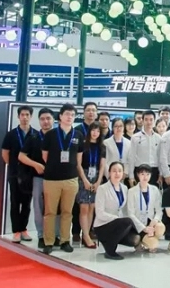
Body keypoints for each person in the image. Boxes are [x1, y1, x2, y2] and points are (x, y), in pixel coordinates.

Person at [41, 103, 83, 254]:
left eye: (72, 115)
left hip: (71, 179)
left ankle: (65, 240)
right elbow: (45, 156)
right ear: (60, 116)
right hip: (52, 179)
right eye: (67, 114)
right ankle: (49, 241)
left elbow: (78, 159)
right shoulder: (51, 134)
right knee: (50, 212)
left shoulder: (78, 135)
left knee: (67, 212)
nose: (70, 117)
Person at [19, 108, 60, 248]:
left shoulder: (59, 136)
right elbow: (21, 156)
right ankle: (41, 235)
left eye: (48, 118)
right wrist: (35, 164)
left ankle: (56, 235)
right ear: (39, 121)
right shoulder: (34, 137)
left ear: (54, 120)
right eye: (42, 119)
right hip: (38, 178)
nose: (45, 121)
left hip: (57, 178)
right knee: (38, 207)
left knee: (57, 208)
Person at [1, 105, 34, 243]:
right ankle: (16, 231)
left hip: (30, 174)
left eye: (27, 115)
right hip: (15, 173)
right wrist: (15, 167)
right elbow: (5, 153)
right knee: (15, 202)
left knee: (27, 203)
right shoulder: (11, 134)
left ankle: (24, 229)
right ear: (18, 117)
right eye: (22, 115)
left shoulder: (35, 134)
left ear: (31, 117)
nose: (25, 117)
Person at [93, 161, 137, 260]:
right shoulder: (102, 189)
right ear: (109, 173)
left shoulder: (124, 188)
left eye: (120, 171)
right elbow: (99, 213)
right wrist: (117, 219)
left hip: (118, 225)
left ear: (123, 173)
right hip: (103, 225)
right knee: (127, 221)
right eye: (114, 171)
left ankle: (112, 241)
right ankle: (110, 250)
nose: (117, 173)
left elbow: (126, 210)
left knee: (135, 239)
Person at [77, 122, 106, 248]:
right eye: (93, 130)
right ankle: (85, 235)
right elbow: (78, 164)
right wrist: (84, 180)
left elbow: (102, 165)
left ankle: (87, 234)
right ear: (89, 131)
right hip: (83, 176)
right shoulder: (83, 144)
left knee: (92, 207)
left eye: (98, 131)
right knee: (84, 207)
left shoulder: (102, 147)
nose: (95, 133)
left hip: (96, 176)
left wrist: (99, 181)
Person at [72, 101, 98, 242]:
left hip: (95, 173)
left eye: (93, 110)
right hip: (79, 171)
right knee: (79, 204)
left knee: (92, 205)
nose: (91, 112)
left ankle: (89, 231)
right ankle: (76, 231)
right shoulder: (77, 130)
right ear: (84, 112)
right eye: (88, 110)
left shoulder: (99, 130)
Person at [126, 164, 166, 251]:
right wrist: (144, 228)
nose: (145, 177)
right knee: (153, 245)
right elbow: (130, 214)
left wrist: (155, 220)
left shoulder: (154, 189)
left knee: (160, 227)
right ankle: (144, 241)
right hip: (139, 224)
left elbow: (159, 210)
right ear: (138, 175)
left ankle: (151, 238)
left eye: (148, 174)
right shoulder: (131, 191)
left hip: (151, 222)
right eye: (142, 174)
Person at [128, 111, 163, 186]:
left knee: (154, 192)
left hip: (154, 171)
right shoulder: (135, 137)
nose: (149, 122)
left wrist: (161, 174)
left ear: (154, 121)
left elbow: (160, 158)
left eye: (151, 119)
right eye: (146, 119)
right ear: (143, 121)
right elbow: (131, 157)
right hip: (139, 170)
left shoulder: (158, 138)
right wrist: (131, 176)